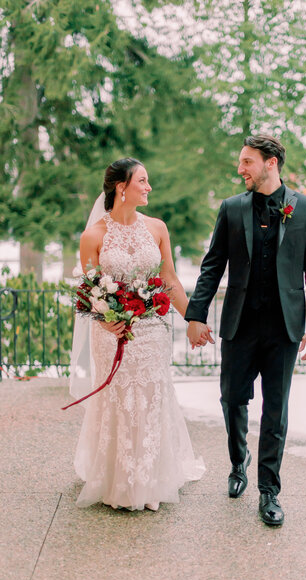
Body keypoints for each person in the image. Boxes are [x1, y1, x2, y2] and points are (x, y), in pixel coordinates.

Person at [185, 134, 306, 526]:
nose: (240, 169)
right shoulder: (231, 209)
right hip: (239, 325)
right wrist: (196, 315)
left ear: (271, 163)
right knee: (232, 399)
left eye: (247, 162)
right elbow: (212, 265)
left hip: (284, 328)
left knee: (275, 410)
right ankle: (238, 460)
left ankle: (269, 491)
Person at [70, 157, 205, 512]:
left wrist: (193, 319)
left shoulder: (157, 228)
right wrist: (104, 320)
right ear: (122, 188)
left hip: (151, 333)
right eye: (142, 181)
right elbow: (89, 291)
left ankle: (150, 476)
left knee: (151, 396)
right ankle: (118, 478)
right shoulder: (93, 236)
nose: (148, 188)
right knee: (118, 399)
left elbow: (170, 280)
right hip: (111, 333)